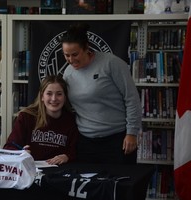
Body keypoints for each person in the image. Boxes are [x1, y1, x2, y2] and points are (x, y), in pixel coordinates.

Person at [60, 23, 142, 164]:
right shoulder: (68, 73)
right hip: (85, 142)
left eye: (75, 54)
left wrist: (131, 133)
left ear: (86, 48)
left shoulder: (111, 64)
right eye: (66, 55)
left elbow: (132, 99)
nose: (71, 60)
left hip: (117, 140)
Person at [3, 75, 79, 165]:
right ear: (42, 96)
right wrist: (20, 153)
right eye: (49, 94)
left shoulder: (71, 120)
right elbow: (9, 147)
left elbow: (77, 151)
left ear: (65, 97)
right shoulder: (26, 117)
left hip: (58, 171)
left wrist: (67, 157)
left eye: (59, 94)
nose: (54, 99)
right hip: (30, 169)